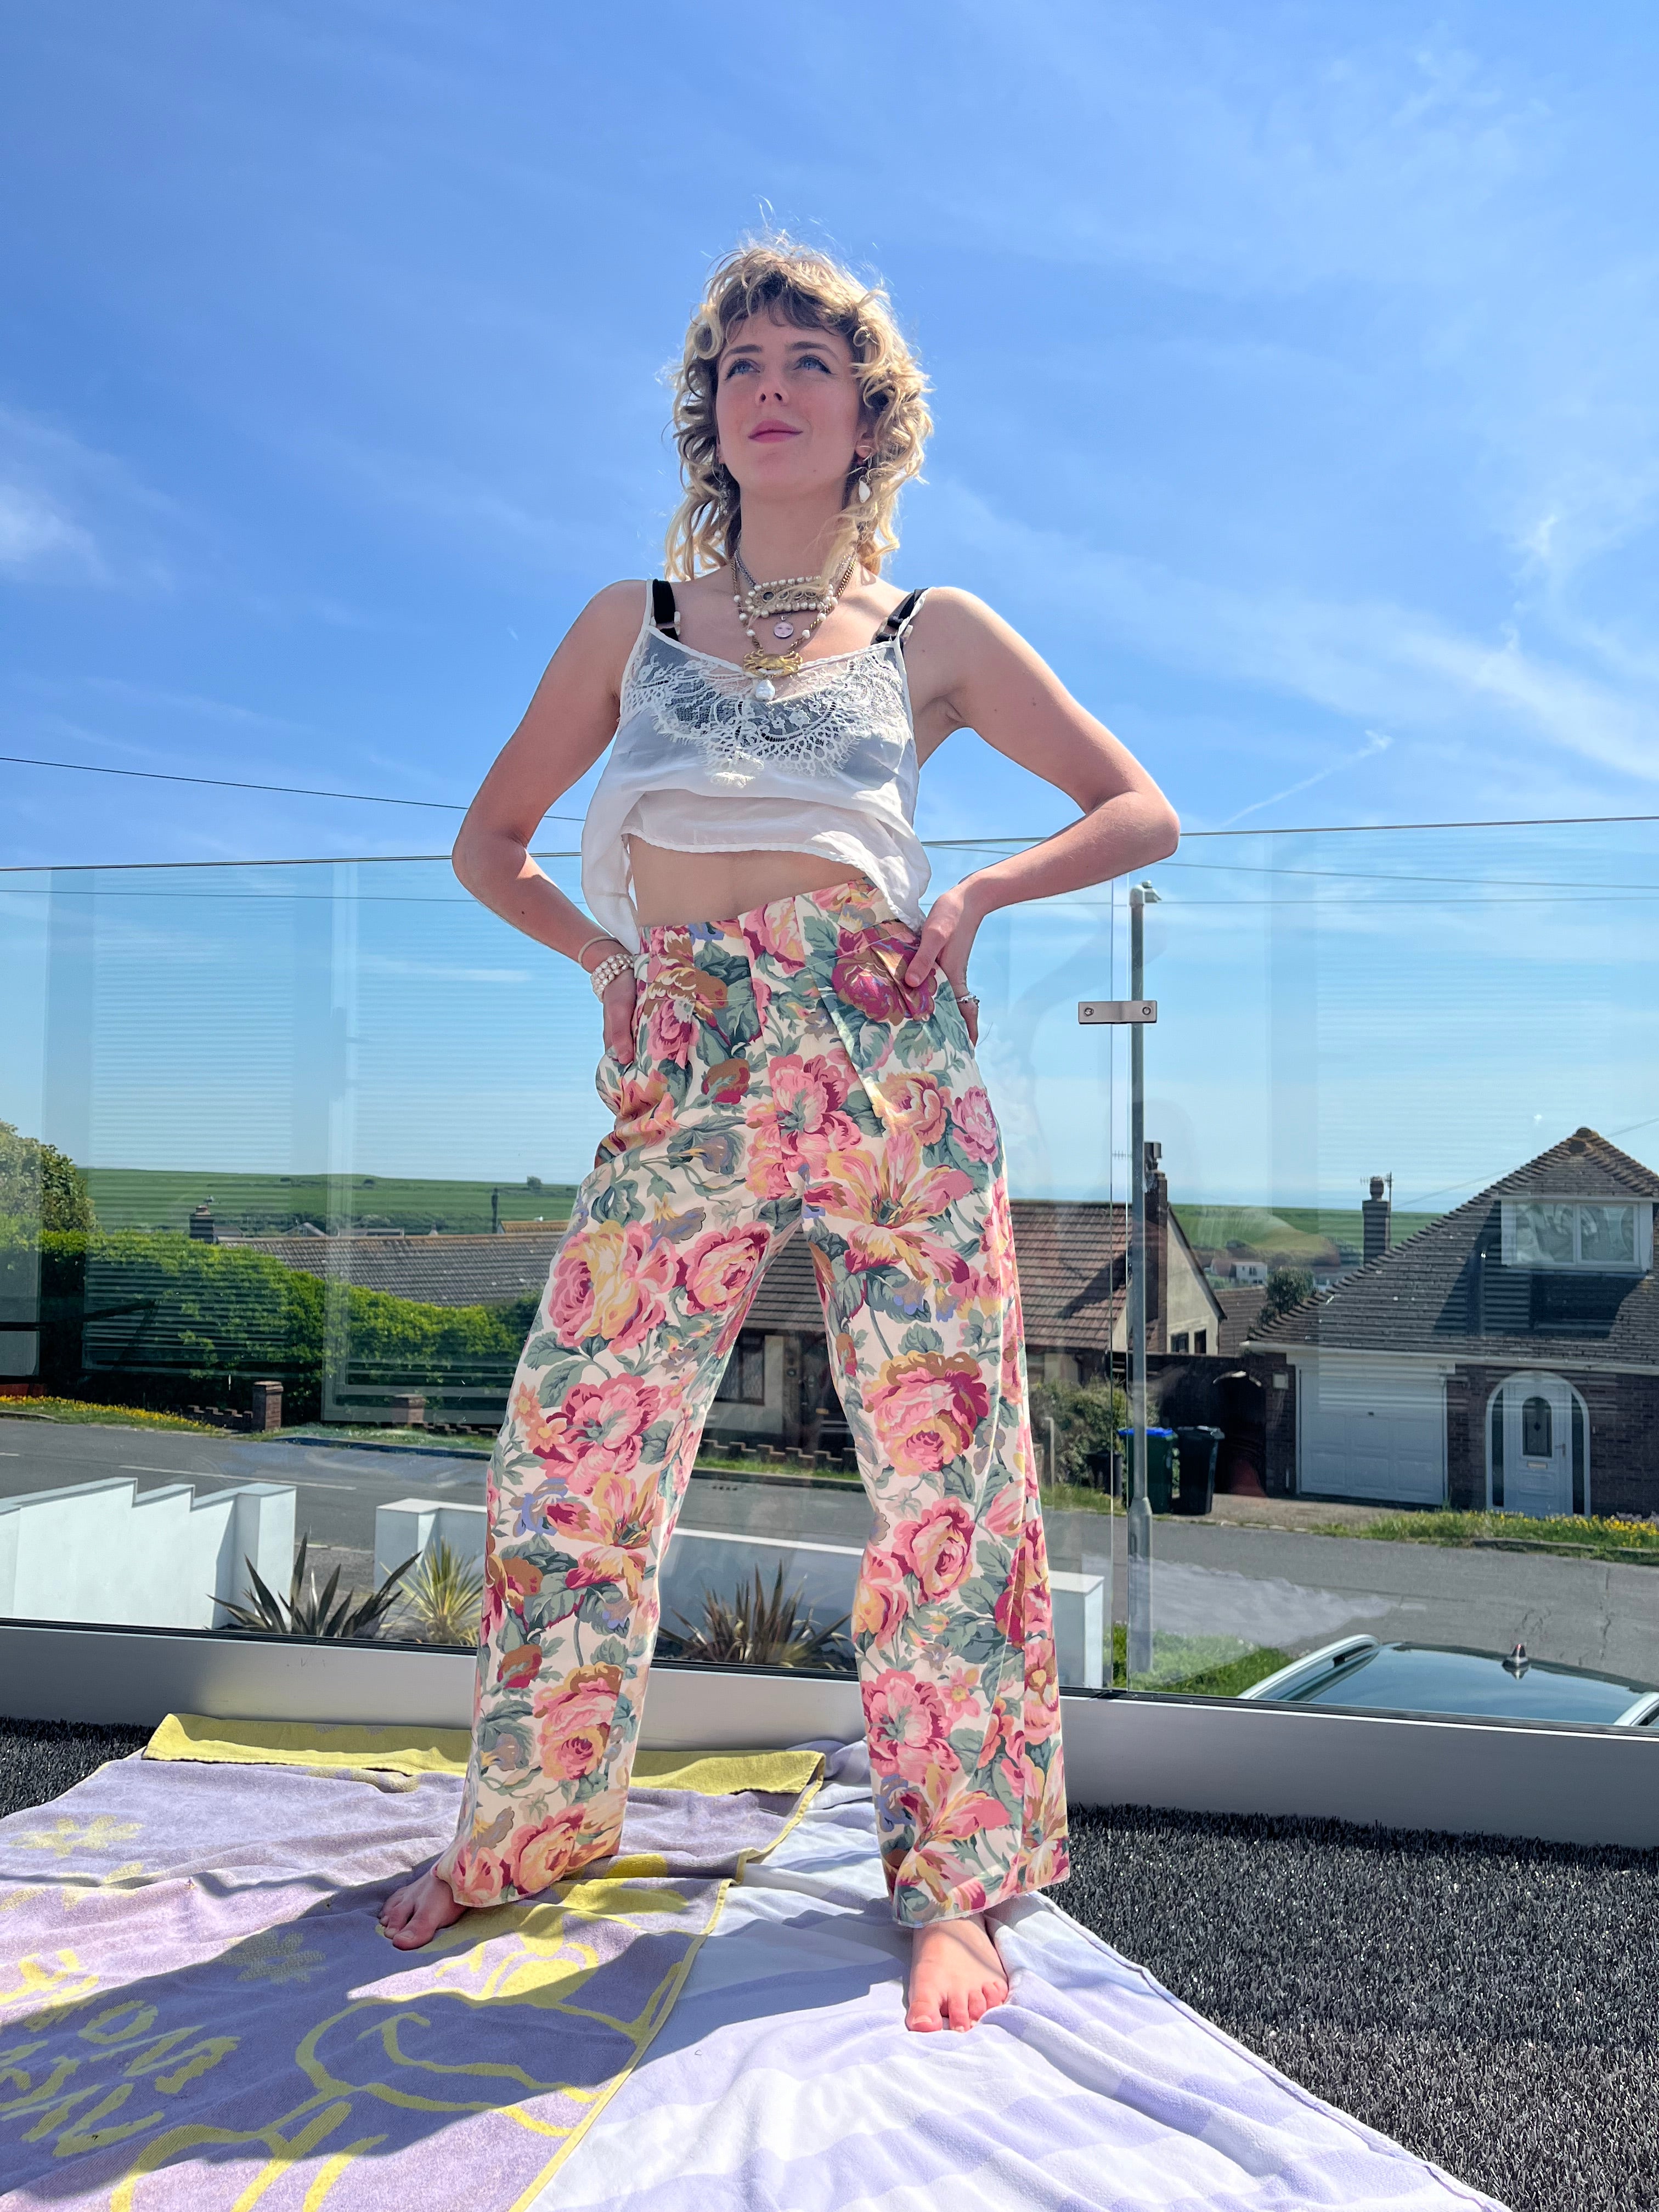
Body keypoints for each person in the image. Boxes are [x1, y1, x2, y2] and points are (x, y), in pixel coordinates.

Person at [379, 237, 1179, 2032]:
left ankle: (961, 1887)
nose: (771, 379)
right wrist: (605, 964)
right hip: (690, 1049)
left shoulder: (936, 634)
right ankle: (532, 1829)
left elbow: (1141, 810)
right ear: (711, 415)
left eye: (811, 357)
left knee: (944, 1476)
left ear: (868, 411)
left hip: (883, 1040)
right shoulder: (631, 621)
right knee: (573, 1456)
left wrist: (979, 900)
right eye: (741, 358)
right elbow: (486, 843)